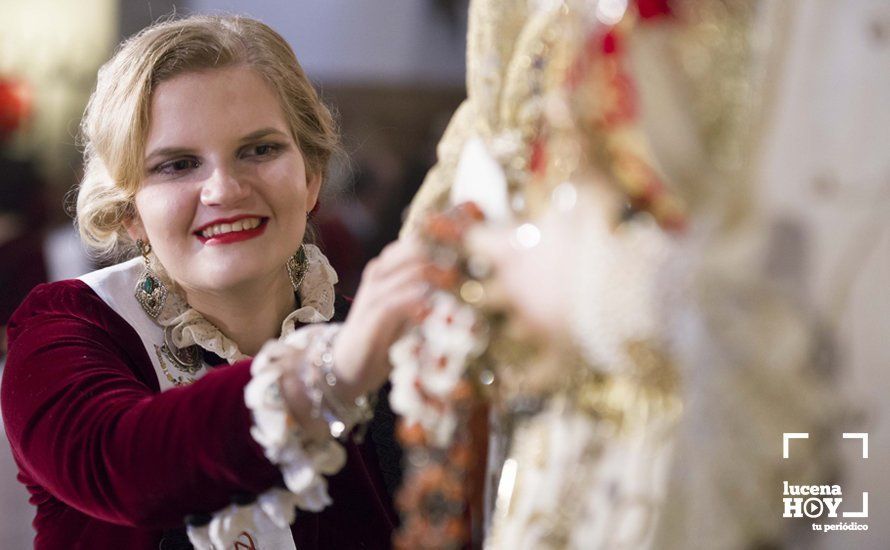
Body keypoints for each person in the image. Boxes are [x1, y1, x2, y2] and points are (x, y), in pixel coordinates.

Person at [1, 15, 432, 549]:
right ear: (129, 209)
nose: (224, 190)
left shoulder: (377, 342)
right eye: (177, 165)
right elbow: (126, 465)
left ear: (312, 174)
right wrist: (328, 375)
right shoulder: (67, 329)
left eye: (260, 150)